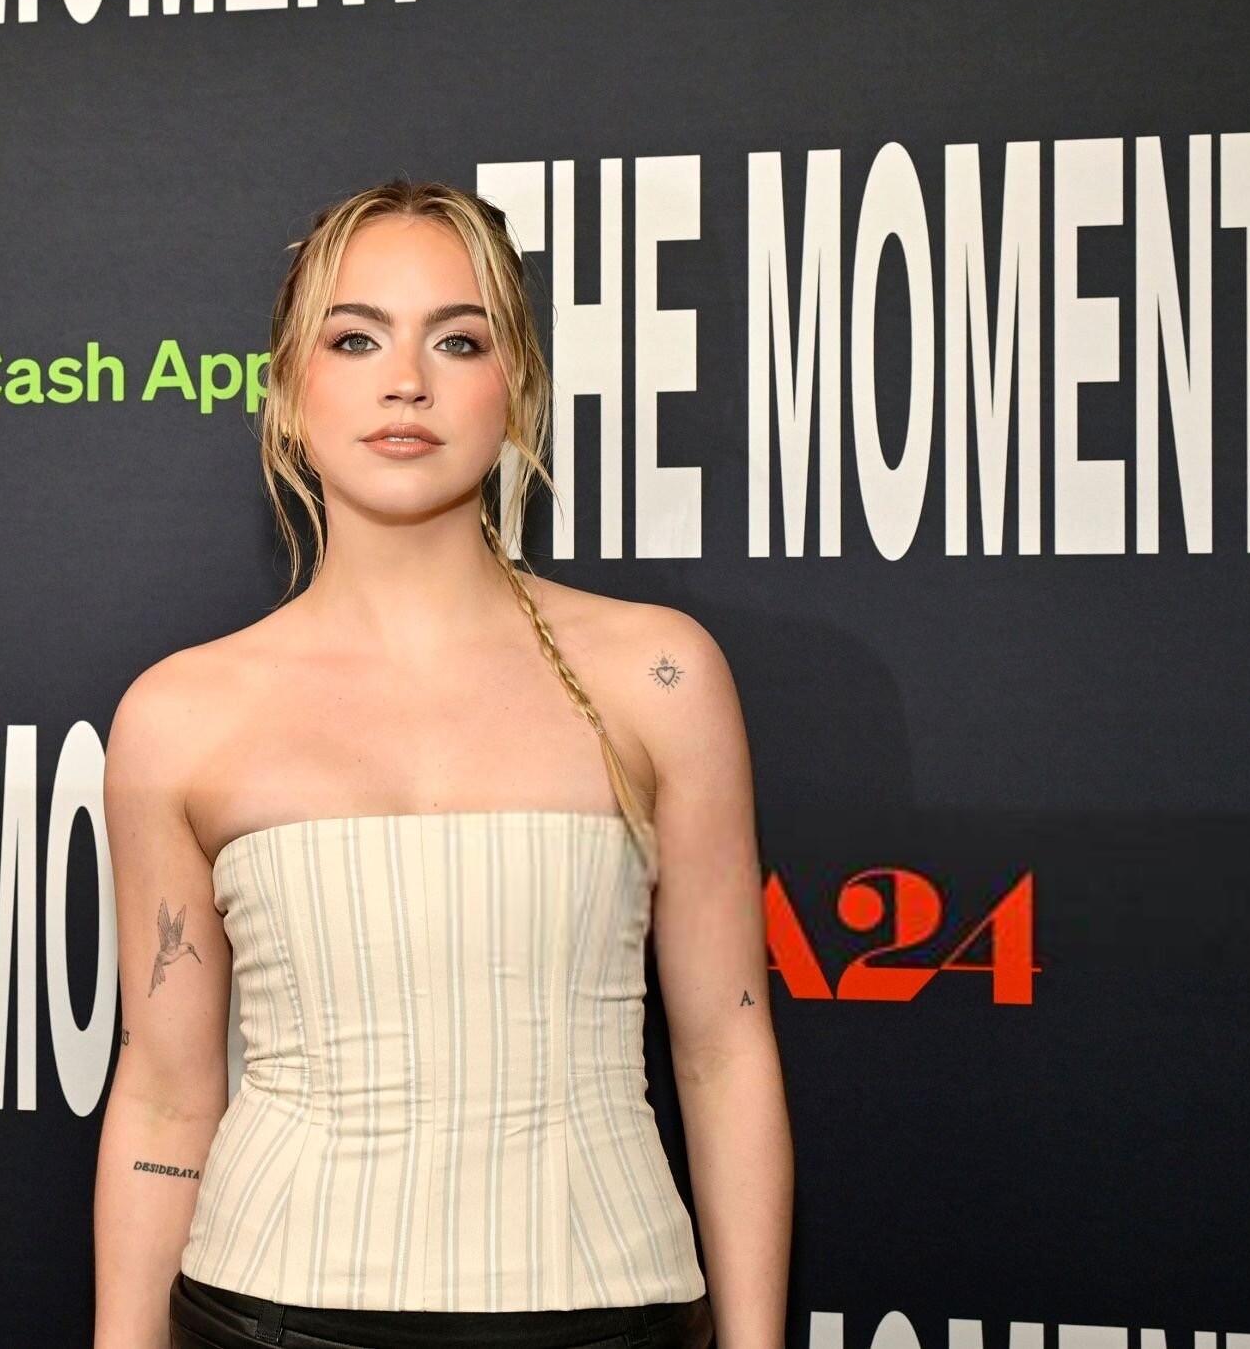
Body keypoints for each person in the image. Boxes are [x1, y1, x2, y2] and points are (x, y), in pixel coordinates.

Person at [92, 178, 790, 1349]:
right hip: (264, 1317)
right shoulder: (178, 714)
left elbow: (723, 1055)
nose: (404, 380)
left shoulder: (658, 676)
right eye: (354, 339)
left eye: (456, 340)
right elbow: (164, 1096)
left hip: (606, 1315)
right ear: (286, 392)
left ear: (515, 388)